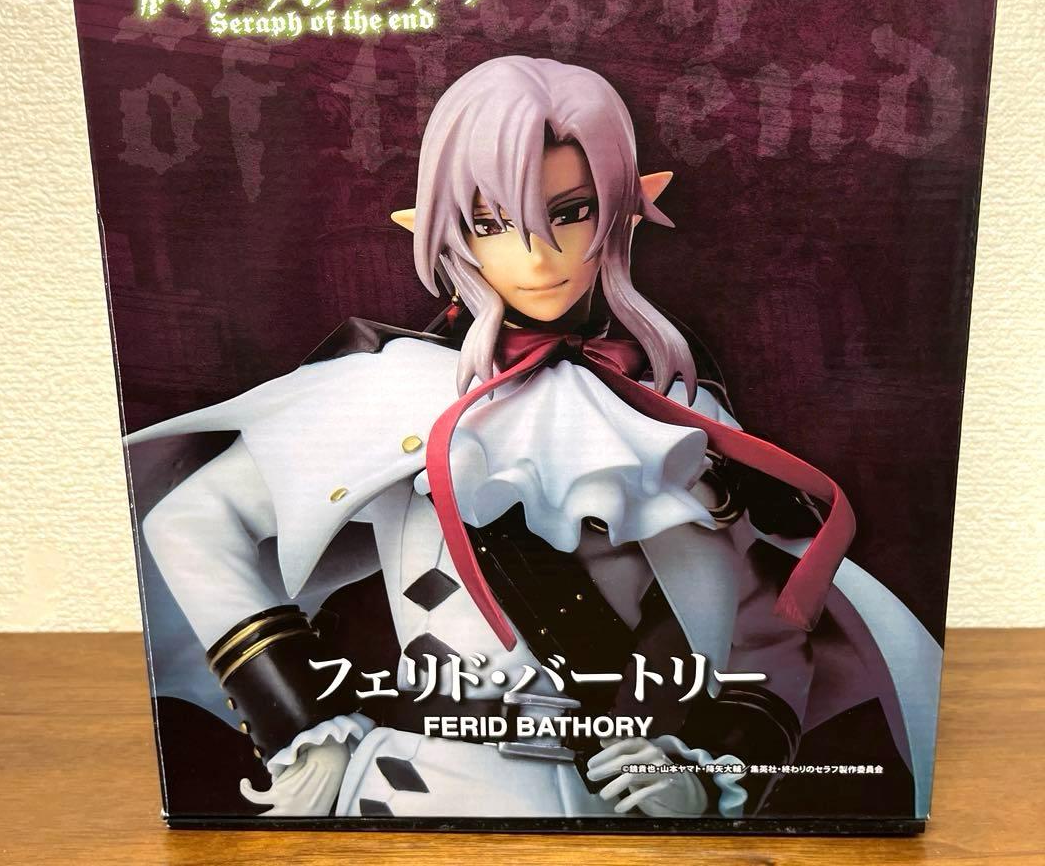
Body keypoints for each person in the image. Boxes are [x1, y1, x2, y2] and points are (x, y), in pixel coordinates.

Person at [129, 55, 940, 820]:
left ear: (619, 206)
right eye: (492, 222)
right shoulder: (392, 390)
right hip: (419, 790)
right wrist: (303, 727)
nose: (537, 253)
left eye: (570, 212)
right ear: (449, 229)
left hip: (613, 809)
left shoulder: (678, 416)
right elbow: (192, 520)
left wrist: (703, 771)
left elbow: (774, 628)